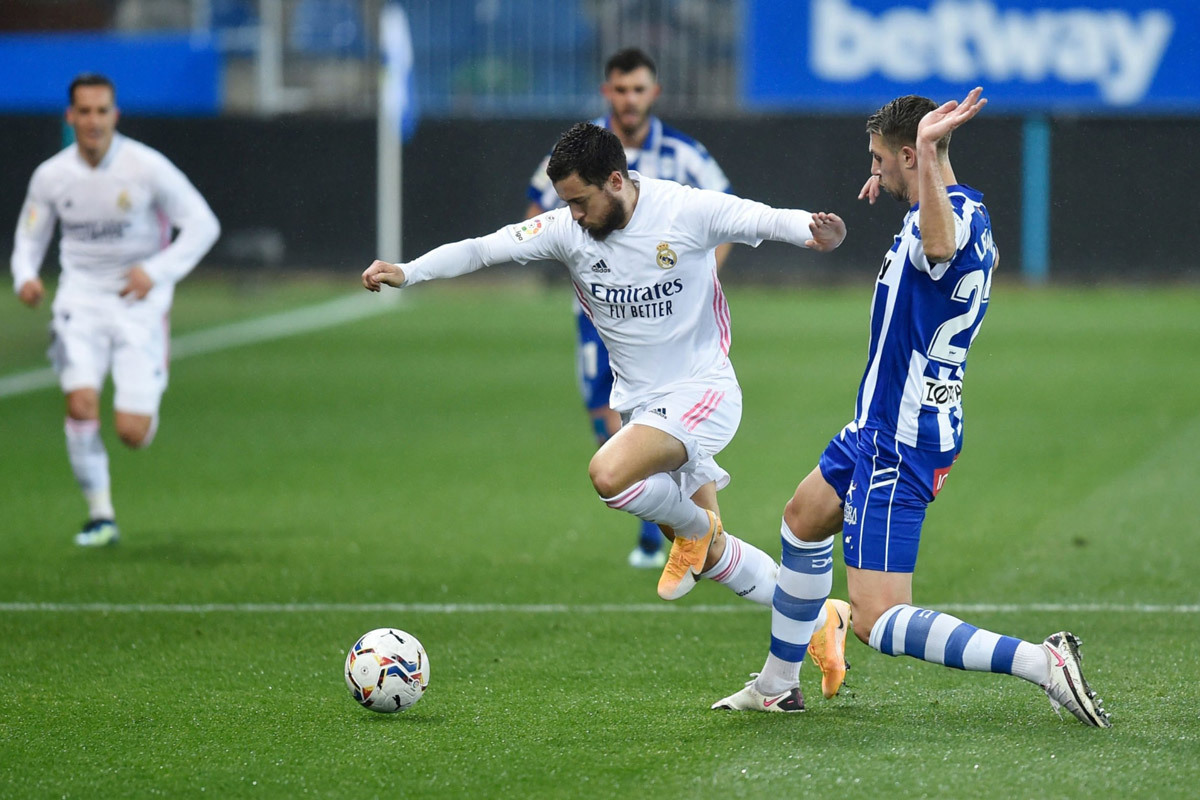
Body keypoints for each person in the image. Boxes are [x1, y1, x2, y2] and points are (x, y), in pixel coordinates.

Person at [712, 88, 1111, 727]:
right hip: (880, 426)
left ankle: (1041, 663)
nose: (873, 171)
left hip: (898, 439)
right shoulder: (968, 208)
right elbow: (952, 243)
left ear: (910, 153)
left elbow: (941, 250)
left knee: (876, 618)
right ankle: (777, 683)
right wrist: (906, 179)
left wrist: (923, 153)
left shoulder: (942, 227)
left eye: (879, 160)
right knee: (803, 518)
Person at [365, 121, 846, 618]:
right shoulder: (567, 230)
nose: (573, 215)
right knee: (711, 560)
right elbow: (486, 248)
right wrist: (409, 271)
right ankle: (819, 621)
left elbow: (760, 218)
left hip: (702, 391)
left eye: (580, 202)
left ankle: (697, 531)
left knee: (609, 474)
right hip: (641, 406)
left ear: (616, 180)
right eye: (566, 203)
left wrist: (811, 230)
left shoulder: (682, 210)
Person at [525, 48, 734, 569]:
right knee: (608, 419)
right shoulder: (578, 152)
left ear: (653, 94)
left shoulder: (684, 154)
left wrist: (695, 277)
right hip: (603, 318)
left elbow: (722, 215)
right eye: (621, 89)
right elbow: (536, 211)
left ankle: (680, 532)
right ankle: (678, 529)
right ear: (607, 93)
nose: (630, 99)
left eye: (639, 89)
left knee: (649, 434)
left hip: (668, 317)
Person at [10, 73, 220, 547]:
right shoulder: (51, 175)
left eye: (101, 111)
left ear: (115, 115)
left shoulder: (146, 168)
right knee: (80, 403)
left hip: (137, 306)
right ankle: (100, 515)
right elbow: (30, 236)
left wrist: (157, 270)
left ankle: (149, 385)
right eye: (83, 111)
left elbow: (203, 224)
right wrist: (25, 275)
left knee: (132, 431)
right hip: (78, 302)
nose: (92, 120)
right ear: (70, 116)